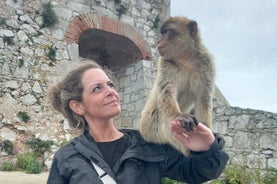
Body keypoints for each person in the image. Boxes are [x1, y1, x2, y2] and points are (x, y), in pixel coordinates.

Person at [47, 59, 229, 184]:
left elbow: (197, 172)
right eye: (97, 88)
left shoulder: (147, 143)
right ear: (78, 107)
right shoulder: (66, 158)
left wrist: (208, 149)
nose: (111, 91)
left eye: (110, 84)